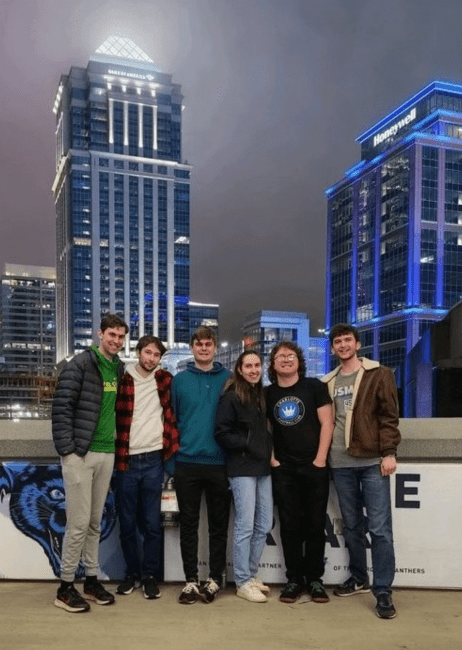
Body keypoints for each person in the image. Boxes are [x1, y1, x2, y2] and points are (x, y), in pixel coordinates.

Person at [322, 323, 400, 620]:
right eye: (337, 342)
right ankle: (358, 578)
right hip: (340, 464)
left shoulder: (378, 374)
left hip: (370, 461)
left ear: (357, 344)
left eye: (347, 340)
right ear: (332, 348)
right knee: (352, 526)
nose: (342, 345)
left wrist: (389, 452)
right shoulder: (327, 381)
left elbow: (389, 417)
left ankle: (383, 591)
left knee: (379, 529)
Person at [52, 314, 128, 613]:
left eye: (121, 336)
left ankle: (91, 579)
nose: (116, 341)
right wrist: (69, 452)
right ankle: (65, 586)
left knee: (95, 522)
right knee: (79, 523)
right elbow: (61, 409)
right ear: (100, 334)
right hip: (80, 455)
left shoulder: (118, 368)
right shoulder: (82, 364)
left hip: (106, 453)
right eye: (112, 334)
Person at [265, 341, 334, 605]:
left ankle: (315, 580)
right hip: (284, 470)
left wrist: (320, 459)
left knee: (315, 525)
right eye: (280, 356)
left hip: (314, 467)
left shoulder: (314, 387)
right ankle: (293, 579)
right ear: (273, 364)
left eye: (290, 355)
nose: (285, 360)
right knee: (290, 526)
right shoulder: (268, 393)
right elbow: (266, 429)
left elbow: (327, 423)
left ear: (299, 361)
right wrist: (272, 459)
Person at [114, 335, 179, 600]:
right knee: (127, 523)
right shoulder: (123, 378)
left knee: (153, 524)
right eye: (148, 352)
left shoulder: (164, 380)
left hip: (154, 460)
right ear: (139, 352)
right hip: (126, 460)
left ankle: (151, 576)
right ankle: (132, 573)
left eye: (156, 355)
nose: (151, 358)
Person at [171, 327, 232, 604]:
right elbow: (171, 421)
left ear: (215, 348)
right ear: (192, 348)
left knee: (219, 526)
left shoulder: (229, 379)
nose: (204, 348)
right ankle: (190, 581)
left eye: (208, 344)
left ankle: (215, 578)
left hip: (220, 463)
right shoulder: (179, 380)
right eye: (199, 344)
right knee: (189, 525)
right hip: (187, 462)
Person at [215, 350, 273, 603]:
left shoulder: (259, 395)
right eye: (248, 366)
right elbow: (222, 433)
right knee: (245, 526)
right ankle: (241, 581)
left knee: (263, 524)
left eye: (257, 365)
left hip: (262, 468)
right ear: (239, 369)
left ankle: (250, 574)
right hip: (241, 468)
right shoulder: (231, 397)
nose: (253, 370)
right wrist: (248, 444)